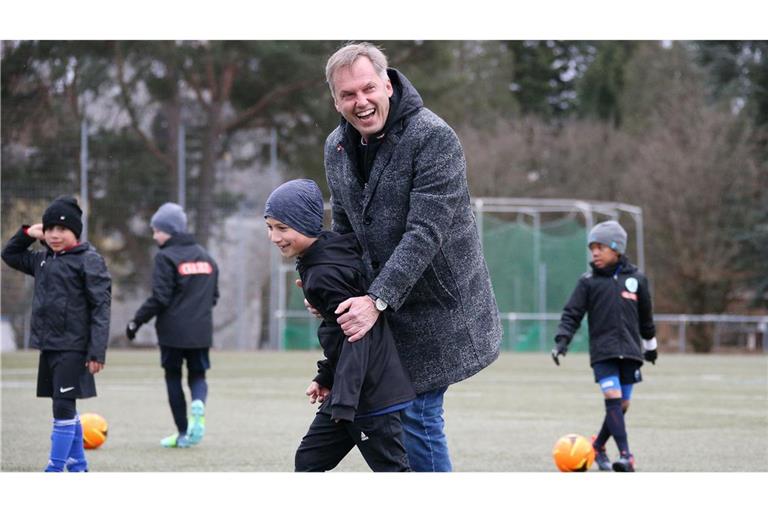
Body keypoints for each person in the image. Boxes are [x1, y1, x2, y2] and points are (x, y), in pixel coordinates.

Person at [318, 42, 502, 471]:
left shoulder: (433, 137)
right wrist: (327, 285)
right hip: (383, 310)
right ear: (335, 100)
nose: (360, 102)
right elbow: (345, 230)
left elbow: (426, 232)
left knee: (417, 415)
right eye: (348, 95)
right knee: (397, 422)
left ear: (387, 83)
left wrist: (375, 299)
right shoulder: (336, 147)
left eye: (367, 89)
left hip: (439, 309)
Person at [266, 179, 415, 472]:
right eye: (269, 227)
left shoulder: (324, 272)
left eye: (283, 228)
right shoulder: (321, 255)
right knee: (308, 461)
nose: (274, 236)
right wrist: (326, 377)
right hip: (346, 393)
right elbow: (336, 330)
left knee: (392, 471)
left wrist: (345, 399)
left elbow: (358, 336)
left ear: (307, 225)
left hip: (368, 396)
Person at [2, 195, 111, 472]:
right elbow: (10, 254)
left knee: (62, 407)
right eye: (50, 229)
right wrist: (28, 232)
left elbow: (101, 308)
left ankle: (55, 468)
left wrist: (97, 351)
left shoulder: (89, 261)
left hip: (74, 347)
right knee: (64, 405)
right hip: (49, 346)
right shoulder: (42, 261)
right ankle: (78, 465)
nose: (54, 235)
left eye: (61, 229)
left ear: (75, 231)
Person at [552, 220, 658, 472]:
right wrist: (562, 341)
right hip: (604, 353)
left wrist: (650, 346)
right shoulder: (588, 282)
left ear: (617, 248)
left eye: (600, 247)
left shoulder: (637, 280)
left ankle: (598, 445)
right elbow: (572, 314)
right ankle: (626, 456)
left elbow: (646, 317)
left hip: (631, 352)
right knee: (612, 396)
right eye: (592, 248)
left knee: (622, 405)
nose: (595, 253)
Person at [125, 202, 219, 448]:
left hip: (172, 333)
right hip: (201, 331)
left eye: (157, 230)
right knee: (198, 375)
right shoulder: (206, 257)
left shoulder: (165, 257)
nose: (155, 235)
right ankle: (198, 402)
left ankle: (182, 433)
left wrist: (137, 321)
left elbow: (160, 298)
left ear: (171, 230)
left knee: (173, 378)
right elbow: (214, 296)